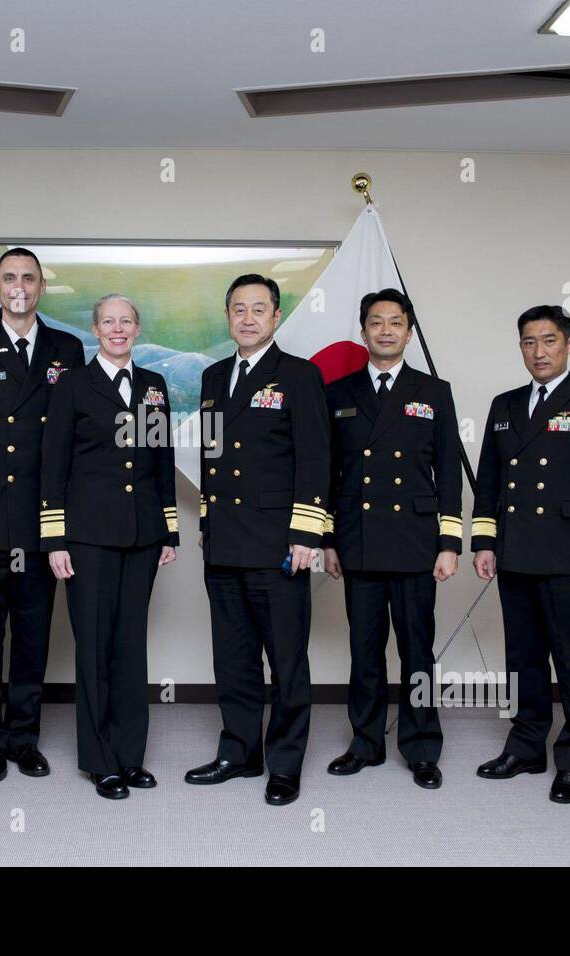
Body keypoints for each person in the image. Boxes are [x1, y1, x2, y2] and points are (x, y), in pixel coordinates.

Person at [471, 304, 570, 804]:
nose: (538, 352)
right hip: (515, 554)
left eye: (549, 341)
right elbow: (490, 483)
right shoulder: (505, 404)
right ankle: (526, 747)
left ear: (569, 344)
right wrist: (484, 542)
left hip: (569, 557)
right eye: (528, 342)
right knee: (522, 659)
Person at [185, 274, 330, 806]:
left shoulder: (299, 376)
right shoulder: (212, 377)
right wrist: (206, 521)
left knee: (287, 660)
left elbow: (317, 460)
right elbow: (212, 457)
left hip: (278, 544)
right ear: (228, 317)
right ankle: (240, 752)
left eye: (258, 309)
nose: (247, 318)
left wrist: (307, 533)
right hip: (223, 541)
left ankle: (285, 763)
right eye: (238, 309)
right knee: (234, 656)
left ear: (276, 316)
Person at [0, 248, 86, 783]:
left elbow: (76, 438)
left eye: (29, 278)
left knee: (32, 634)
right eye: (9, 278)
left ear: (41, 287)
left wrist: (65, 518)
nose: (19, 286)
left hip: (40, 519)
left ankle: (23, 736)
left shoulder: (66, 348)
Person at [322, 289, 462, 789]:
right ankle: (365, 742)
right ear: (363, 331)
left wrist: (450, 543)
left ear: (408, 331)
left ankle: (422, 747)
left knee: (417, 650)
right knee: (364, 650)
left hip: (416, 540)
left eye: (396, 323)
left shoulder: (433, 391)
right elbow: (329, 473)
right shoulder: (338, 392)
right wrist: (328, 539)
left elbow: (447, 472)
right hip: (357, 538)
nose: (385, 330)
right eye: (376, 322)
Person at [40, 294, 179, 800]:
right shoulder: (73, 385)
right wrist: (55, 538)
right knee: (94, 648)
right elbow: (52, 466)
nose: (117, 329)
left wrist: (169, 530)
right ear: (94, 330)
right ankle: (101, 761)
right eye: (108, 322)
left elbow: (160, 460)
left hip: (143, 536)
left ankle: (130, 756)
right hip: (87, 537)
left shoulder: (154, 386)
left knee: (129, 647)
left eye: (126, 321)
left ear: (137, 329)